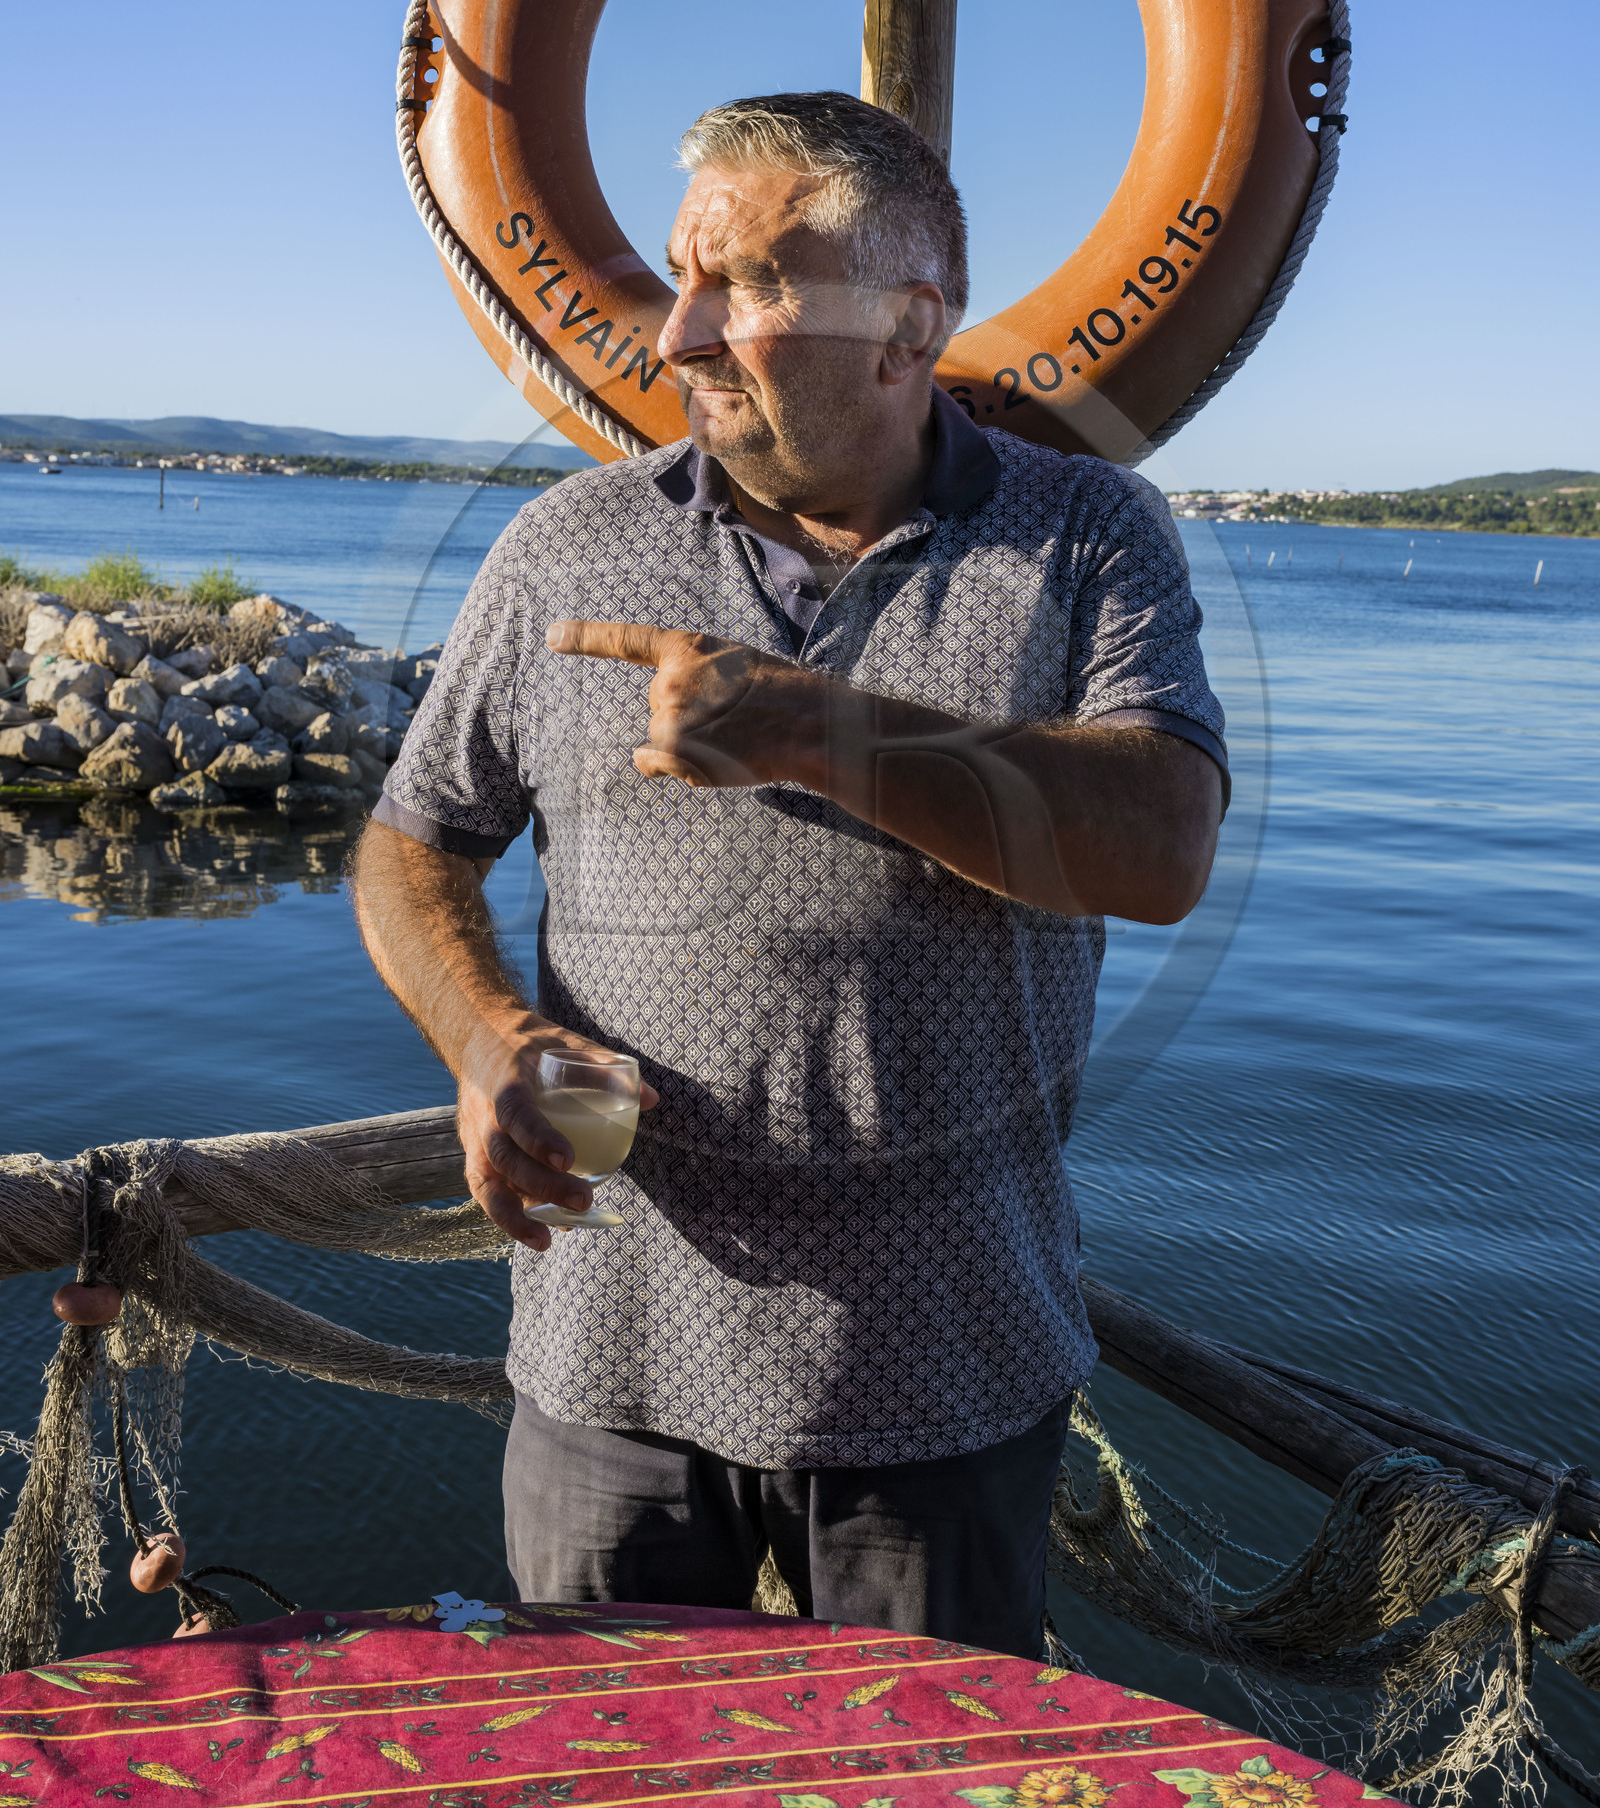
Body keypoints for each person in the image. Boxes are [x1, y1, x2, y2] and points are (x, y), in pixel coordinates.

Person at [352, 90, 1226, 1656]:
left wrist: (815, 731)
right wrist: (484, 1039)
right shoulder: (562, 545)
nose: (677, 335)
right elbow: (413, 842)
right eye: (679, 281)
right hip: (606, 1368)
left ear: (908, 324)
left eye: (743, 286)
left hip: (945, 1377)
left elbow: (1159, 846)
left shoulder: (1090, 535)